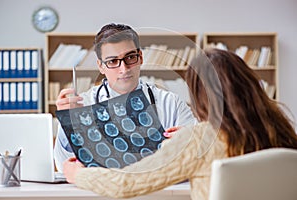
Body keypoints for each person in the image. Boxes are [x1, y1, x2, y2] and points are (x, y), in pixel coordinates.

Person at [62, 48, 297, 200]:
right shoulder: (279, 125)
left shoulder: (199, 139)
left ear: (200, 94)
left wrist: (78, 175)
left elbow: (125, 184)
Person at [54, 23, 197, 172]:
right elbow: (63, 164)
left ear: (140, 57)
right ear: (101, 66)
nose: (124, 69)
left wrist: (187, 143)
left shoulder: (171, 103)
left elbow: (195, 159)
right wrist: (68, 125)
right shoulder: (82, 105)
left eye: (130, 57)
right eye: (112, 61)